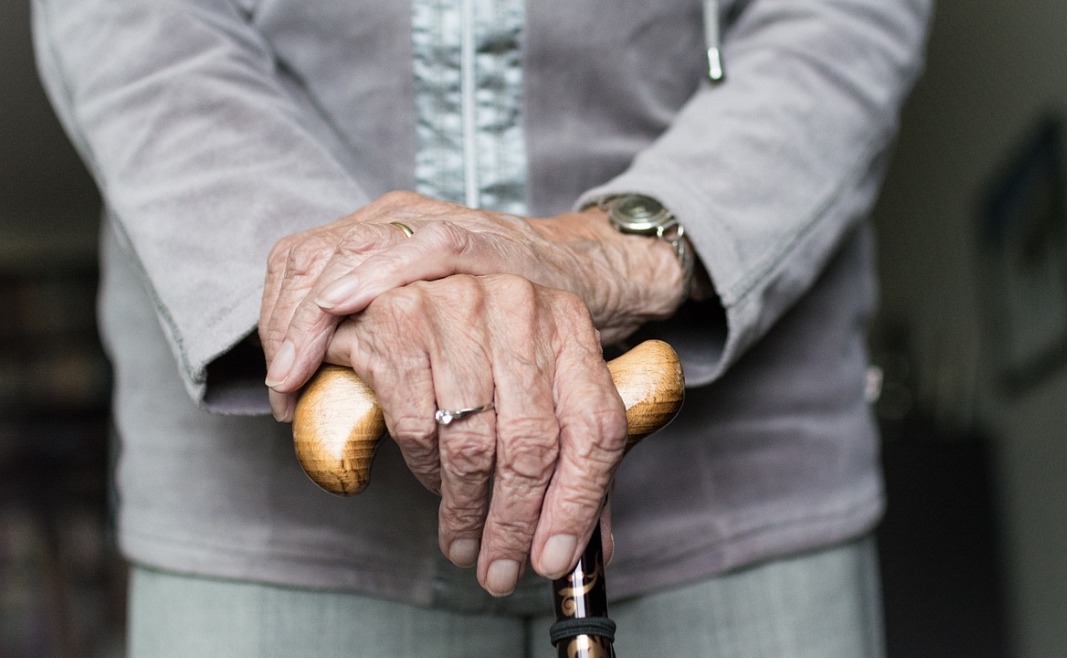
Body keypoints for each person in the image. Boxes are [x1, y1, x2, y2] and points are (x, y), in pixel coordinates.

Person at [34, 0, 932, 655]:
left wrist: (622, 248)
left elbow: (837, 17)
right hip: (269, 524)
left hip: (739, 488)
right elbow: (137, 27)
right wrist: (369, 286)